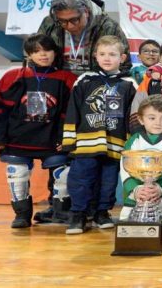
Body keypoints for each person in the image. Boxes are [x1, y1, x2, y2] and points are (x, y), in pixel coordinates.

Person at [0, 34, 77, 228]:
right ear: (28, 54)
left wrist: (67, 139)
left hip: (52, 139)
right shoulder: (13, 77)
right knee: (17, 175)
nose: (43, 55)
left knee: (62, 176)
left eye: (47, 50)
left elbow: (70, 113)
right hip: (17, 138)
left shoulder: (68, 79)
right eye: (36, 51)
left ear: (55, 52)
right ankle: (21, 216)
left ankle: (61, 212)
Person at [62, 35, 137, 234]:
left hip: (115, 142)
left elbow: (134, 115)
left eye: (112, 54)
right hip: (86, 143)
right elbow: (73, 111)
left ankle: (102, 212)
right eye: (102, 54)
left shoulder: (129, 83)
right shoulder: (84, 80)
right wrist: (69, 141)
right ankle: (78, 215)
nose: (107, 58)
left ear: (122, 58)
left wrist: (132, 143)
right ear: (95, 56)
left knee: (109, 180)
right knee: (81, 179)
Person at [38, 0, 130, 75]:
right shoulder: (50, 23)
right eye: (62, 21)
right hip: (60, 84)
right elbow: (36, 53)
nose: (69, 26)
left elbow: (124, 64)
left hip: (94, 85)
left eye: (74, 20)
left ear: (86, 12)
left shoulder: (108, 27)